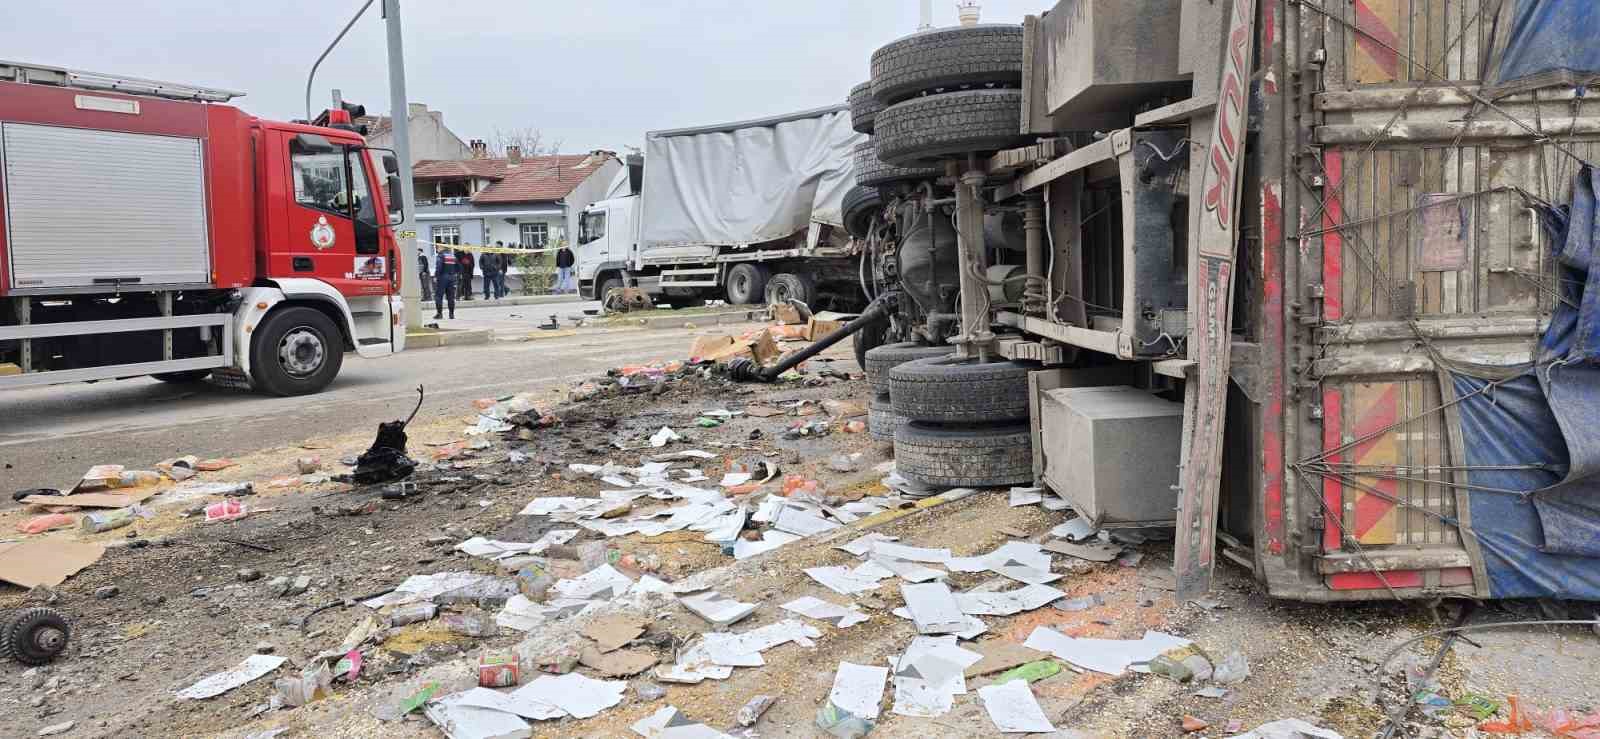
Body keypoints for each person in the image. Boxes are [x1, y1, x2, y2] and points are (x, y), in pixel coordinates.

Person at [432, 247, 457, 320]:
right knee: (451, 297)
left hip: (442, 278)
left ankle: (439, 314)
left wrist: (436, 276)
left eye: (438, 247)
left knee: (438, 296)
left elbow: (439, 267)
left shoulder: (440, 256)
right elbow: (458, 267)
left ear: (442, 248)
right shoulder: (452, 256)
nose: (437, 249)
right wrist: (453, 274)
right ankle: (451, 314)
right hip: (452, 278)